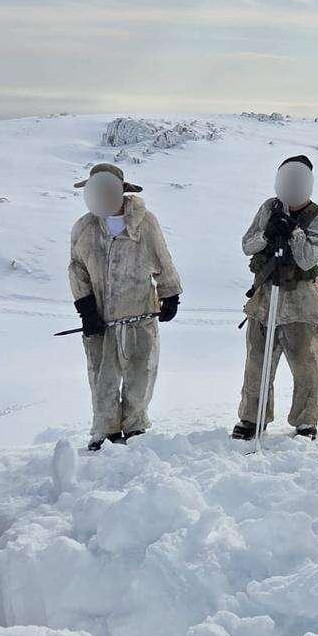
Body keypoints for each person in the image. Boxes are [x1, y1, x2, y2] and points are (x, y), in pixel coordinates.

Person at [69, 163, 183, 450]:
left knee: (140, 374)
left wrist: (170, 294)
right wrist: (86, 310)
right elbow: (77, 270)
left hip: (139, 316)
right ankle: (105, 431)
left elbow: (163, 259)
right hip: (100, 321)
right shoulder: (84, 227)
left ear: (120, 190)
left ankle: (135, 427)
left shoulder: (145, 222)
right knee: (102, 377)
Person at [232, 155, 318, 440]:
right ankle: (252, 418)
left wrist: (294, 232)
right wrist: (267, 235)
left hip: (302, 302)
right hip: (265, 299)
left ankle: (306, 420)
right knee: (257, 361)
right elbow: (247, 244)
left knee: (307, 364)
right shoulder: (269, 208)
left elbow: (306, 259)